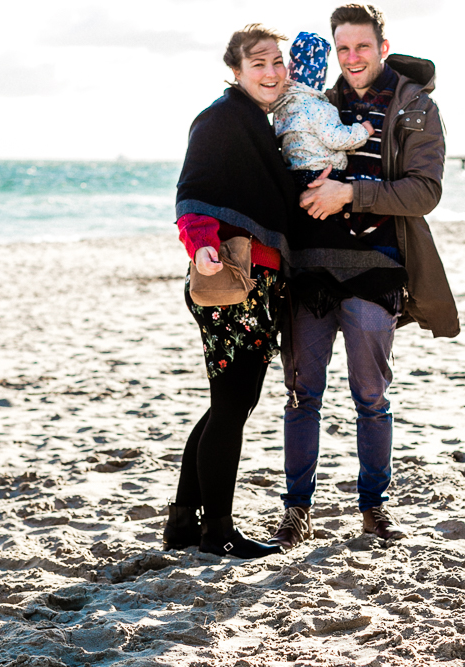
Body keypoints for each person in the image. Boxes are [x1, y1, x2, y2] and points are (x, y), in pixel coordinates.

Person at [269, 3, 460, 550]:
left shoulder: (416, 107)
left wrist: (349, 194)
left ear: (381, 44)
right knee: (303, 394)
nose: (351, 58)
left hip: (377, 266)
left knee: (370, 395)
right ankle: (296, 512)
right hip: (310, 267)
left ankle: (374, 510)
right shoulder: (318, 103)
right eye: (342, 48)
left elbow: (426, 192)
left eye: (361, 46)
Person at [162, 24, 299, 560]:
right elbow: (192, 193)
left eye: (277, 62)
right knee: (231, 404)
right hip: (228, 279)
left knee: (230, 403)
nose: (270, 72)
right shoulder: (221, 119)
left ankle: (181, 523)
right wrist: (199, 244)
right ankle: (217, 529)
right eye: (258, 63)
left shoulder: (261, 124)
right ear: (237, 71)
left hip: (258, 284)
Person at [272, 31, 375, 191]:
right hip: (322, 172)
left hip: (295, 175)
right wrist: (363, 131)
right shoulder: (318, 107)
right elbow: (335, 138)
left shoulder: (281, 106)